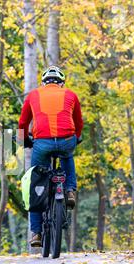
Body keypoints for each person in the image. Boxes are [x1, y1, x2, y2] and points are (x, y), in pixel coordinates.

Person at [18, 66, 83, 247]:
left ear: (43, 83)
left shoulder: (33, 95)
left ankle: (36, 233)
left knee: (36, 183)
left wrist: (24, 140)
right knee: (67, 156)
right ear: (61, 83)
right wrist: (76, 137)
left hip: (42, 142)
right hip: (66, 139)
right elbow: (79, 122)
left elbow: (23, 122)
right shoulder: (71, 94)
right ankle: (70, 190)